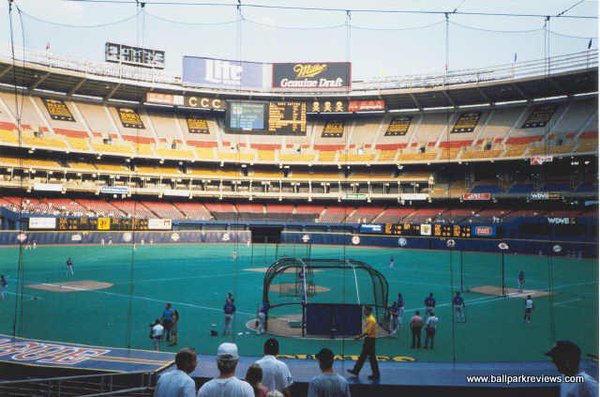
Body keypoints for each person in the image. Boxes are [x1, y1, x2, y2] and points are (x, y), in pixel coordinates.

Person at [347, 306, 380, 381]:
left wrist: (359, 337)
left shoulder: (371, 320)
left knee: (368, 357)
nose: (364, 312)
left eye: (365, 310)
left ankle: (374, 374)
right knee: (367, 357)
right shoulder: (369, 319)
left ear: (369, 311)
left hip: (370, 340)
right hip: (369, 340)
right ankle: (357, 371)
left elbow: (367, 332)